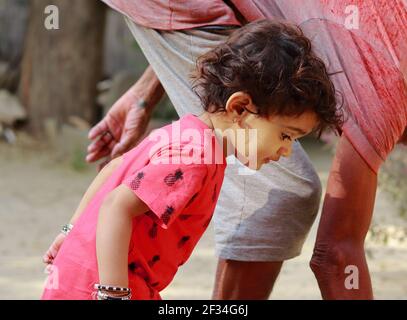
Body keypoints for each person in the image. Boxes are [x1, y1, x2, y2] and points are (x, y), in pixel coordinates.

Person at [41, 19, 341, 300]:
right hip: (104, 284)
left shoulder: (185, 132)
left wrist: (69, 231)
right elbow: (116, 207)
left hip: (90, 274)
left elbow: (114, 168)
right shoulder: (195, 157)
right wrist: (113, 293)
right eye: (285, 135)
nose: (286, 151)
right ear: (239, 108)